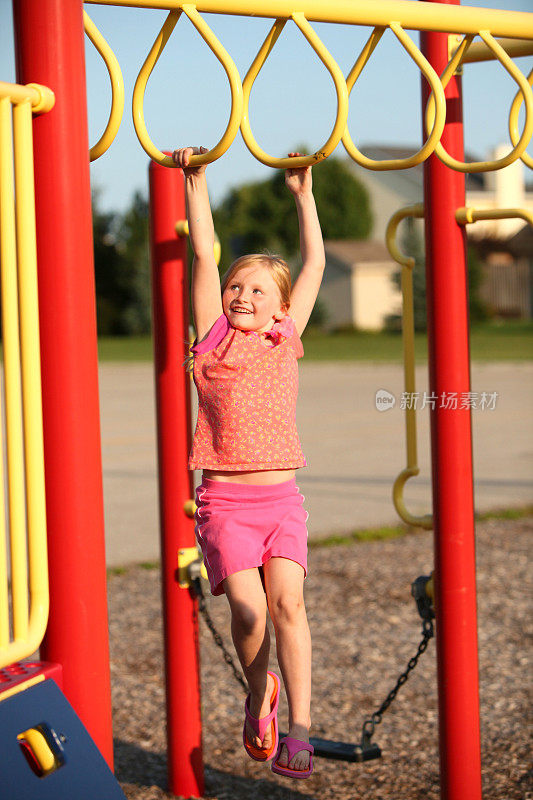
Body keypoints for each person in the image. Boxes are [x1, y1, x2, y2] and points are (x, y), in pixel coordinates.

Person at [172, 145, 325, 779]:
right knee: (250, 610)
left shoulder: (286, 336)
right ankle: (259, 691)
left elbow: (314, 260)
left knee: (289, 604)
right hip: (227, 503)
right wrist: (196, 182)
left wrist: (302, 194)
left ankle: (300, 726)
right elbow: (203, 253)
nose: (241, 295)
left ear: (280, 306)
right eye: (237, 286)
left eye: (257, 289)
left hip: (282, 501)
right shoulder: (211, 339)